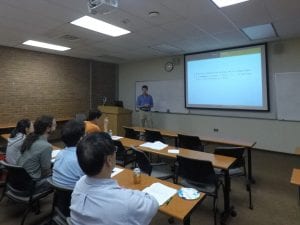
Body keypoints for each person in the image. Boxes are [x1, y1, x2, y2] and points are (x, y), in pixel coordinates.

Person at [70, 132, 159, 225]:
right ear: (109, 160)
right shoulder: (126, 201)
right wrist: (128, 192)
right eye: (115, 150)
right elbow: (153, 204)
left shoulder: (79, 184)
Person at [17, 115, 56, 192]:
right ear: (48, 128)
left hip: (17, 181)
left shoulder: (29, 139)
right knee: (59, 177)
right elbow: (46, 170)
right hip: (30, 185)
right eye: (55, 124)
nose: (56, 125)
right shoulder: (46, 146)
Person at [52, 120, 85, 189]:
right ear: (81, 139)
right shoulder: (82, 158)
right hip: (74, 193)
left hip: (58, 192)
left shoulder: (60, 154)